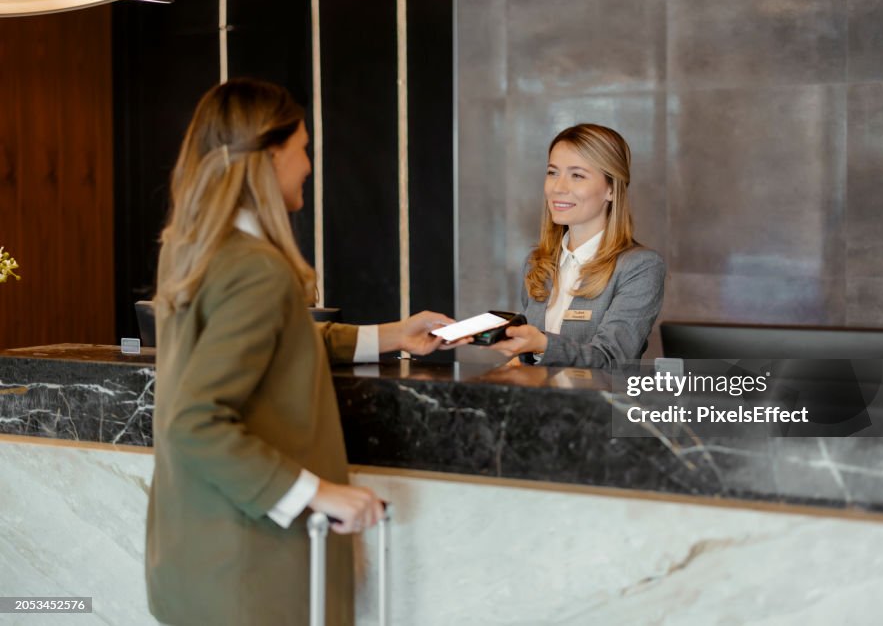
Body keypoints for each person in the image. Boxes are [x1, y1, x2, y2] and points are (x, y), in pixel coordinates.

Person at [145, 78, 456, 626]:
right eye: (303, 148)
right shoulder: (257, 269)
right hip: (252, 571)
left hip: (195, 559)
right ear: (269, 156)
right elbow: (193, 421)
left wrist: (392, 335)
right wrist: (320, 494)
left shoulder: (192, 250)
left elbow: (281, 339)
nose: (309, 165)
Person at [491, 123, 665, 369]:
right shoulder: (536, 262)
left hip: (598, 406)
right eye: (552, 172)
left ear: (612, 189)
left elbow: (611, 360)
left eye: (577, 175)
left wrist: (540, 344)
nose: (558, 187)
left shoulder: (640, 266)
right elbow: (532, 361)